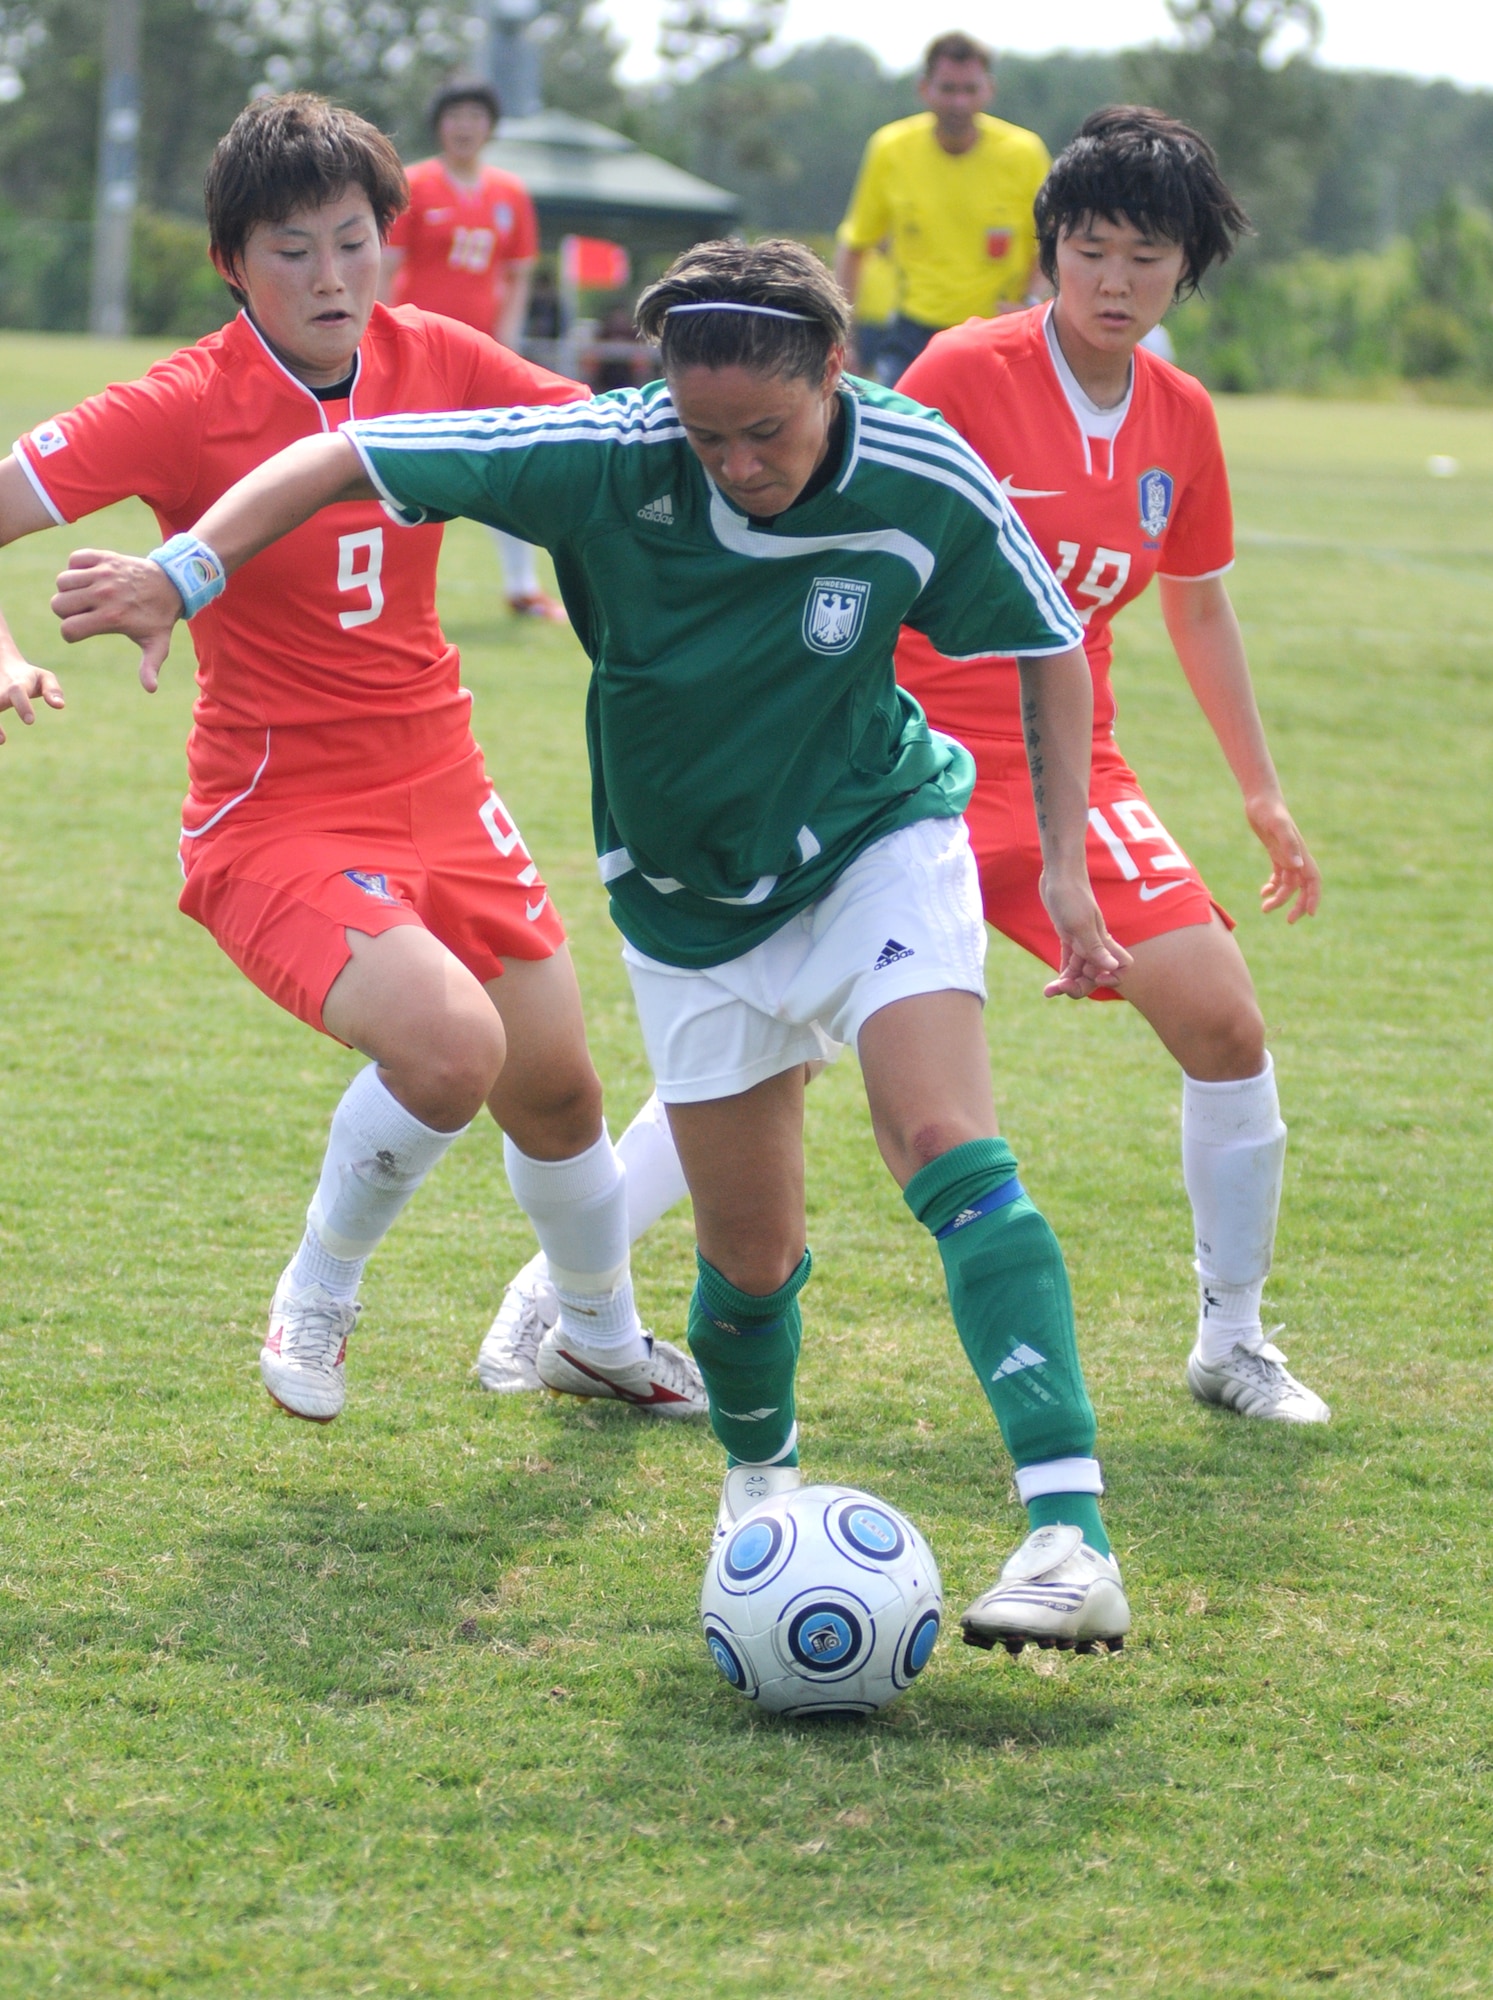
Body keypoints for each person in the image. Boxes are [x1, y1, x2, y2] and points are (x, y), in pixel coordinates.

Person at [67, 236, 1148, 1658]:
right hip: (688, 905)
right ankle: (761, 1504)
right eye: (705, 434)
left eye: (765, 431)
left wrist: (1064, 868)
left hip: (881, 840)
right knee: (749, 1265)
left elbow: (1049, 640)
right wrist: (186, 569)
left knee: (939, 1136)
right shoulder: (607, 452)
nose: (735, 464)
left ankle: (1070, 1535)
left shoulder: (919, 470)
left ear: (835, 373)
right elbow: (352, 455)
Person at [0, 92, 704, 1425]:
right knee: (451, 1048)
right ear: (230, 263)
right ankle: (318, 1288)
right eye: (291, 251)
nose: (330, 277)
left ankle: (596, 1336)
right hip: (280, 814)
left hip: (446, 781)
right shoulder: (179, 404)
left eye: (351, 242)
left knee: (557, 1091)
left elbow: (605, 448)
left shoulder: (437, 352)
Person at [895, 105, 1329, 1424]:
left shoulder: (1180, 417)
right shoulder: (962, 373)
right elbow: (859, 548)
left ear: (1185, 267)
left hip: (1074, 765)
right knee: (786, 1037)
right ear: (1048, 254)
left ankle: (1232, 1339)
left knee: (1224, 1021)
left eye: (1146, 256)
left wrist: (1259, 790)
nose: (1114, 282)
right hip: (913, 760)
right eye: (1089, 250)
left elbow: (1195, 606)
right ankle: (571, 1293)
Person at [379, 76, 566, 625]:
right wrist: (383, 338)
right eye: (455, 115)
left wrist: (505, 345)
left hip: (480, 356)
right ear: (440, 123)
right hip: (416, 349)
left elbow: (519, 276)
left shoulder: (510, 194)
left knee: (505, 462)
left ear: (490, 127)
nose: (465, 126)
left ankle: (522, 588)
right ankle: (381, 588)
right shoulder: (411, 184)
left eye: (475, 116)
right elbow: (386, 270)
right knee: (396, 464)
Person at [835, 32, 1049, 385]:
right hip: (915, 330)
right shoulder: (891, 149)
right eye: (948, 89)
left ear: (988, 90)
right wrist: (844, 336)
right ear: (924, 89)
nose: (959, 103)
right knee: (897, 429)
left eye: (970, 89)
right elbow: (855, 244)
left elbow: (1052, 242)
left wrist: (1030, 300)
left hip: (998, 330)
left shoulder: (1024, 153)